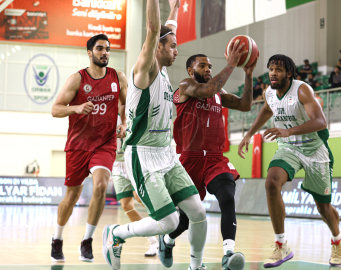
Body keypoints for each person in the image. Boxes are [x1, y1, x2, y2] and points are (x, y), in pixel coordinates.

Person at [102, 1, 208, 270]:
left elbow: (165, 29)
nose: (176, 50)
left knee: (198, 212)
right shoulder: (146, 69)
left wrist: (174, 10)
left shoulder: (162, 69)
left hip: (166, 152)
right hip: (142, 154)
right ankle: (116, 234)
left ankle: (196, 266)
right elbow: (153, 28)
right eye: (172, 46)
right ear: (158, 47)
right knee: (170, 221)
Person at [238, 54, 341, 268]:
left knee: (324, 209)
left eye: (278, 69)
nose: (273, 73)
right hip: (289, 148)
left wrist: (288, 131)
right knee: (271, 183)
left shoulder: (301, 89)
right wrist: (249, 134)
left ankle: (337, 239)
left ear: (289, 73)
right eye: (271, 69)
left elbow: (321, 122)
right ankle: (281, 245)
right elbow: (268, 109)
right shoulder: (269, 93)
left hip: (314, 149)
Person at [160, 50, 258, 270]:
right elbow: (207, 89)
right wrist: (232, 64)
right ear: (190, 70)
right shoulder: (186, 86)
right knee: (184, 221)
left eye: (210, 66)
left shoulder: (217, 92)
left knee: (227, 196)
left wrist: (249, 74)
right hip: (189, 160)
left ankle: (229, 254)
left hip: (214, 158)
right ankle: (167, 241)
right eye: (202, 66)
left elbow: (245, 105)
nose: (208, 69)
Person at [50, 34, 127, 262]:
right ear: (90, 53)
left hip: (104, 143)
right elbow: (55, 109)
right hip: (78, 145)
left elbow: (124, 104)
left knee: (101, 185)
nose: (105, 52)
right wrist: (77, 108)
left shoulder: (117, 77)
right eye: (100, 49)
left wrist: (124, 123)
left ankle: (87, 240)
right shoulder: (77, 79)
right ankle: (57, 238)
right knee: (71, 197)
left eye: (108, 49)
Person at [112, 111, 159, 257]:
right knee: (126, 205)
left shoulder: (129, 109)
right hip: (116, 162)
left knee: (140, 198)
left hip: (132, 157)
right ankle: (153, 241)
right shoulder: (103, 109)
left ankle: (164, 222)